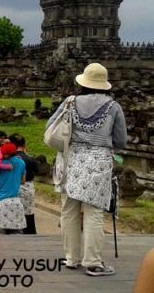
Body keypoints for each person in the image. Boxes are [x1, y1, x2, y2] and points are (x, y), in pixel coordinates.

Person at [49, 63, 126, 277]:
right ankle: (93, 262)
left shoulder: (70, 102)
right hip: (98, 163)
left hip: (70, 158)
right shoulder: (113, 107)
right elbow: (121, 140)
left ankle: (71, 258)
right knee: (94, 212)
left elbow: (50, 127)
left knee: (69, 210)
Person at [0, 143, 26, 235]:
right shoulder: (21, 163)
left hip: (1, 202)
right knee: (16, 236)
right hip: (16, 202)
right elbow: (23, 181)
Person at [9, 134, 38, 234]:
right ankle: (29, 233)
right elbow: (37, 170)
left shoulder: (9, 159)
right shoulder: (30, 160)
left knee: (14, 213)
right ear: (24, 144)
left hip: (13, 186)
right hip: (28, 187)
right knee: (28, 212)